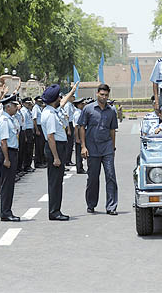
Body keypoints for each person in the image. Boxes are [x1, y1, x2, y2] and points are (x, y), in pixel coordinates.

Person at [79, 84, 119, 215]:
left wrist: (112, 147)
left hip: (107, 148)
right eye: (102, 94)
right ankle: (91, 204)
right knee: (93, 178)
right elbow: (81, 127)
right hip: (92, 148)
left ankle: (111, 207)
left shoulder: (112, 110)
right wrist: (83, 146)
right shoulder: (88, 109)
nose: (104, 97)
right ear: (97, 94)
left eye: (106, 95)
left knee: (111, 176)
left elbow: (113, 130)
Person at [41, 83, 78, 221]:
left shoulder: (51, 110)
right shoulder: (50, 115)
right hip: (55, 148)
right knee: (55, 182)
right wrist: (56, 157)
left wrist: (72, 91)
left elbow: (62, 103)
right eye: (58, 97)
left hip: (58, 147)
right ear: (54, 99)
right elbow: (50, 137)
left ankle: (56, 209)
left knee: (57, 180)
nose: (60, 99)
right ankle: (54, 211)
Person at [0, 95, 21, 222]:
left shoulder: (11, 119)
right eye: (14, 105)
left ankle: (7, 210)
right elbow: (3, 142)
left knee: (10, 184)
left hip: (12, 152)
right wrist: (6, 158)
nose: (16, 108)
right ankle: (5, 212)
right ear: (7, 107)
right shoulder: (4, 121)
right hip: (7, 153)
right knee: (7, 185)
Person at [73, 97, 86, 174]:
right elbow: (76, 127)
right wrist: (77, 138)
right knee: (78, 153)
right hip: (78, 135)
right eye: (82, 104)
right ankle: (79, 168)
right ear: (78, 105)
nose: (83, 105)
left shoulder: (80, 112)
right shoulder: (77, 114)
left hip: (80, 134)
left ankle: (80, 167)